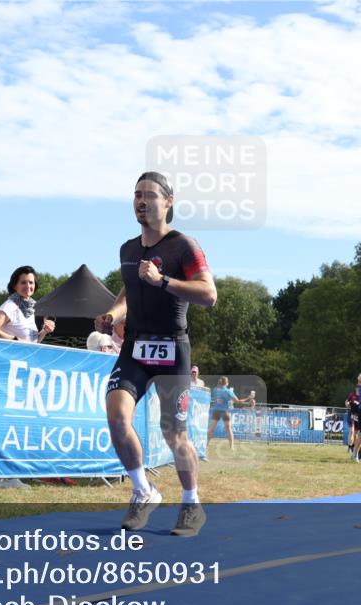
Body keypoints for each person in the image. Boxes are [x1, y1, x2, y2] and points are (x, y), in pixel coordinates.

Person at [94, 171, 217, 537]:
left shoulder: (183, 246)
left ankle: (191, 503)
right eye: (136, 195)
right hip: (134, 347)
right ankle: (143, 490)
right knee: (117, 417)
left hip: (171, 347)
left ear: (169, 202)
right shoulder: (128, 250)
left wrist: (163, 281)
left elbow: (209, 294)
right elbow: (129, 291)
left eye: (149, 195)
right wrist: (112, 316)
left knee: (174, 433)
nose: (141, 201)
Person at [0, 265, 55, 343]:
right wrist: (14, 340)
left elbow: (33, 342)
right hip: (12, 354)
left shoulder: (30, 308)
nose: (28, 286)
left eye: (31, 282)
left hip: (27, 354)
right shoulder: (10, 306)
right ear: (15, 286)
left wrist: (45, 331)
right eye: (23, 282)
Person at [207, 377, 247, 451]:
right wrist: (248, 398)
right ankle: (231, 447)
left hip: (216, 411)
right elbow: (238, 401)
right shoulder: (228, 391)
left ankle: (206, 445)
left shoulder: (215, 389)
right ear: (227, 383)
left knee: (211, 429)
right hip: (225, 411)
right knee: (229, 429)